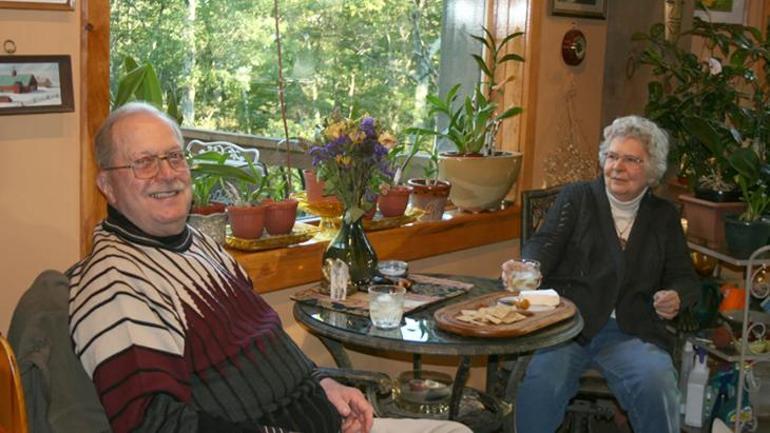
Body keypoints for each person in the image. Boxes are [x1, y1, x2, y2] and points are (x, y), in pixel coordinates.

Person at [68, 102, 472, 433]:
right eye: (143, 162)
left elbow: (265, 347)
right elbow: (153, 424)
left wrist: (322, 383)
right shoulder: (115, 284)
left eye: (174, 156)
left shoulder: (198, 244)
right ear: (107, 186)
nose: (167, 174)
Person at [509, 115, 699, 433]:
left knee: (656, 382)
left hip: (631, 332)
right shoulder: (577, 198)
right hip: (568, 327)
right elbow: (544, 243)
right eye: (612, 156)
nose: (617, 167)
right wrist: (529, 267)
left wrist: (676, 296)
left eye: (631, 159)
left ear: (652, 169)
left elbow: (685, 277)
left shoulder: (664, 216)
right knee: (542, 384)